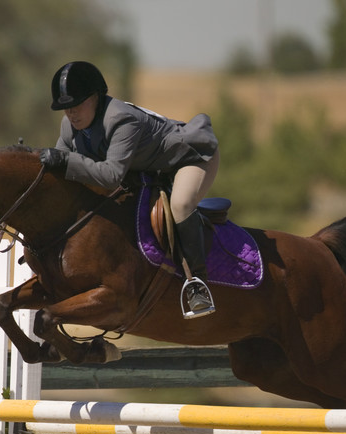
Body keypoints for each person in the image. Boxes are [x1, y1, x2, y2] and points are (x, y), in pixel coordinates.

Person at [40, 61, 220, 318]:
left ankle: (197, 285)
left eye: (76, 105)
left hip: (191, 158)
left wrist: (65, 161)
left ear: (95, 97)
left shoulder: (121, 119)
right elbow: (65, 173)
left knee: (180, 206)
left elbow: (111, 175)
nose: (71, 113)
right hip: (152, 169)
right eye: (65, 108)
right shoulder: (69, 127)